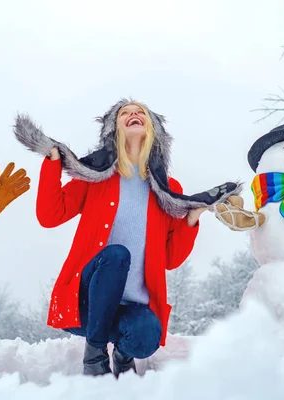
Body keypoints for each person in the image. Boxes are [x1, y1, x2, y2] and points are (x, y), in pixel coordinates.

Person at [14, 99, 240, 377]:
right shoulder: (95, 178)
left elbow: (170, 259)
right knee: (117, 255)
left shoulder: (168, 190)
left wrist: (192, 220)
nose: (133, 114)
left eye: (140, 112)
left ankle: (123, 355)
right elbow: (50, 215)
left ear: (154, 130)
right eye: (125, 113)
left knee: (146, 335)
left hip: (130, 309)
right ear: (113, 129)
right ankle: (94, 356)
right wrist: (52, 163)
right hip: (86, 304)